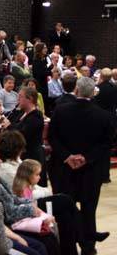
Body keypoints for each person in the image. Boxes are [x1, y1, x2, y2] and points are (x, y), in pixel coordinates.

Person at [49, 77, 114, 255]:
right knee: (88, 209)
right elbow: (107, 144)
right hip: (90, 171)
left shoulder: (60, 111)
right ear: (93, 92)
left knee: (65, 211)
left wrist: (67, 156)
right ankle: (88, 247)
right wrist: (86, 158)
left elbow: (52, 138)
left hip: (64, 169)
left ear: (76, 90)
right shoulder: (104, 115)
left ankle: (68, 247)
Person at [8, 86, 46, 186]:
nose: (18, 99)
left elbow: (22, 134)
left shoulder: (36, 116)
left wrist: (9, 126)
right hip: (25, 156)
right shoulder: (21, 113)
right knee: (24, 189)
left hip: (33, 157)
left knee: (33, 190)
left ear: (30, 99)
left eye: (20, 97)